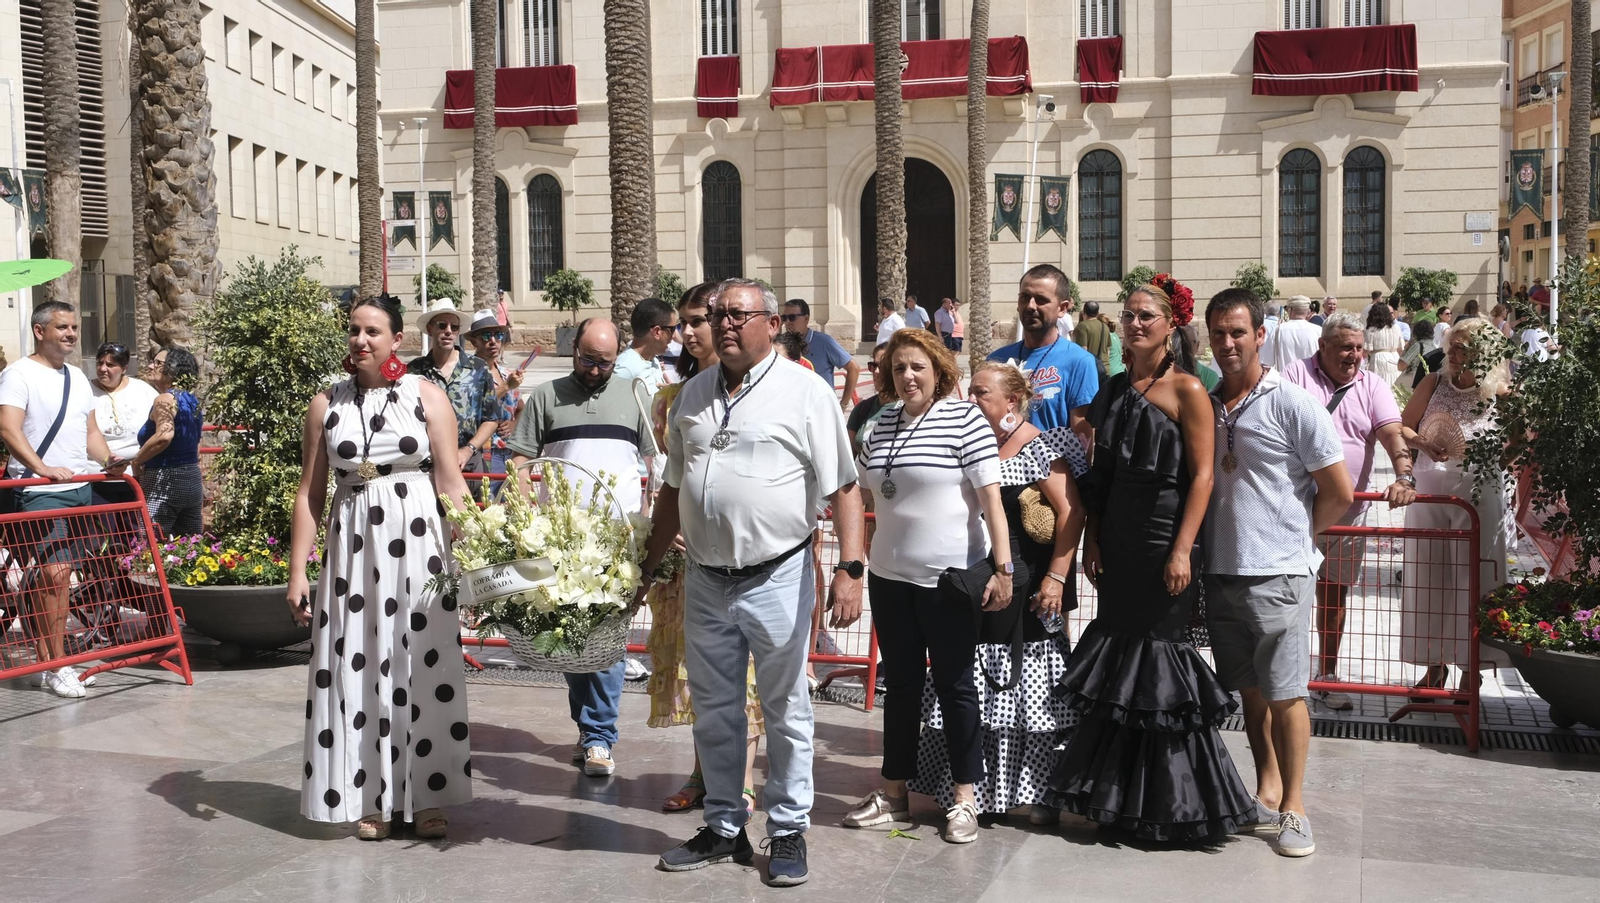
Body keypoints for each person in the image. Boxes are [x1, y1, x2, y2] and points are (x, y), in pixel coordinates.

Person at [640, 278, 865, 887]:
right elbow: (671, 492)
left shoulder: (806, 392)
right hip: (706, 580)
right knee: (714, 710)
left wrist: (851, 570)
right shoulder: (690, 396)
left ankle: (788, 829)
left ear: (771, 323)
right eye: (717, 315)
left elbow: (842, 485)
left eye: (738, 314)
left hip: (777, 574)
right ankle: (724, 825)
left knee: (785, 707)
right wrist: (647, 566)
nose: (725, 324)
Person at [1047, 279, 1255, 842]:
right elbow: (1103, 478)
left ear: (1169, 325)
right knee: (1121, 665)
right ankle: (1118, 798)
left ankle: (1176, 803)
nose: (1136, 324)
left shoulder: (1189, 389)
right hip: (1117, 543)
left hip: (1166, 541)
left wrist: (1184, 548)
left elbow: (1204, 476)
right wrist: (1091, 542)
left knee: (1160, 664)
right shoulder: (1112, 390)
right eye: (1130, 315)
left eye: (1147, 316)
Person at [286, 296, 473, 839]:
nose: (360, 340)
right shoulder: (326, 404)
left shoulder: (427, 395)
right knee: (359, 667)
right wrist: (299, 571)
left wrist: (480, 552)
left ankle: (429, 796)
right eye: (353, 330)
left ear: (397, 341)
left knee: (423, 663)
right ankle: (371, 797)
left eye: (373, 331)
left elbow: (451, 483)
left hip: (419, 548)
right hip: (352, 555)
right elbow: (310, 494)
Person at [842, 328, 1011, 845]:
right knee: (903, 688)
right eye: (898, 369)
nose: (908, 377)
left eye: (917, 367)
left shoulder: (966, 421)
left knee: (958, 687)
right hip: (890, 580)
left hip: (949, 582)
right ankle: (894, 795)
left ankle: (965, 799)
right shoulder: (882, 422)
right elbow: (859, 488)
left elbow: (991, 502)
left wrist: (1004, 569)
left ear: (939, 371)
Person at [1203, 287, 1354, 858]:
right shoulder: (1210, 402)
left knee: (1288, 693)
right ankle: (1265, 784)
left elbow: (1337, 491)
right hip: (1221, 572)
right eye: (1218, 333)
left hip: (1280, 573)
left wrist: (1298, 540)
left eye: (1237, 332)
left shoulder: (1291, 402)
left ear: (1260, 335)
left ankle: (1294, 807)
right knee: (1249, 688)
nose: (1227, 343)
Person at [908, 361, 1085, 824]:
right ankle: (972, 789)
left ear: (1012, 401)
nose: (972, 400)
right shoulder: (971, 442)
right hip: (971, 587)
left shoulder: (1042, 446)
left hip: (1028, 590)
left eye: (982, 393)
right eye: (971, 391)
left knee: (1028, 685)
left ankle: (1035, 792)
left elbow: (1072, 513)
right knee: (969, 680)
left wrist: (1057, 578)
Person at [507, 318, 656, 779]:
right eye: (587, 360)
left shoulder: (635, 394)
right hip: (560, 543)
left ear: (618, 357)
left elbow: (655, 461)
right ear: (574, 352)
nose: (594, 370)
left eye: (604, 362)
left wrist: (650, 523)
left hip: (617, 542)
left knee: (607, 642)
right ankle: (588, 729)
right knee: (572, 645)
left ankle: (599, 736)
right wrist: (524, 514)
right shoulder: (546, 396)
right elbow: (518, 460)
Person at [644, 282, 769, 817]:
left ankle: (740, 782)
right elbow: (669, 480)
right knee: (697, 673)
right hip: (685, 564)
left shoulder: (777, 388)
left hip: (753, 561)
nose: (692, 332)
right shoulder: (672, 399)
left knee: (746, 675)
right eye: (686, 323)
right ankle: (702, 773)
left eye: (702, 319)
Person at [1281, 313, 1417, 713]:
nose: (1354, 355)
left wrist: (1404, 477)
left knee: (1333, 596)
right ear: (1322, 347)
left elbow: (1391, 434)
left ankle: (1325, 674)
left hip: (1347, 512)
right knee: (1285, 597)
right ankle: (1285, 678)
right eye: (1345, 347)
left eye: (1359, 348)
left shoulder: (1372, 384)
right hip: (1293, 509)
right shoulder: (1295, 375)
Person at [0, 301, 126, 699]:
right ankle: (57, 666)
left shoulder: (75, 376)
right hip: (38, 493)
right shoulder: (18, 374)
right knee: (54, 576)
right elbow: (8, 428)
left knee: (55, 580)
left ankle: (49, 661)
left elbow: (89, 432)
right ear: (40, 331)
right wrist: (41, 467)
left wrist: (109, 460)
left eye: (74, 326)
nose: (72, 333)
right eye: (62, 327)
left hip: (81, 490)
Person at [1398, 316, 1511, 699]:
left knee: (1474, 582)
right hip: (1430, 492)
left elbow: (1522, 440)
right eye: (1453, 347)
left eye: (1464, 348)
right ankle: (1434, 667)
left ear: (1485, 353)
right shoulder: (1433, 382)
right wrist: (1425, 446)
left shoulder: (1501, 392)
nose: (1455, 354)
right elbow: (1404, 426)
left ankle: (1471, 671)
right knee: (1428, 581)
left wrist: (1497, 464)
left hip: (1479, 501)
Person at [988, 264, 1100, 434]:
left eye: (1041, 300)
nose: (1031, 306)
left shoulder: (1080, 362)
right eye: (1025, 297)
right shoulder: (996, 361)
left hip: (1055, 460)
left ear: (1062, 308)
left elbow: (1083, 434)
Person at [406, 298, 499, 475]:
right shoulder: (413, 371)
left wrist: (468, 450)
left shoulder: (478, 368)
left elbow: (492, 418)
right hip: (426, 464)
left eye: (454, 327)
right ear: (429, 329)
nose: (448, 331)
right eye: (442, 325)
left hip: (469, 463)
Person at [130, 347, 204, 537]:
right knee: (190, 544)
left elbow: (164, 435)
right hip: (192, 478)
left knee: (150, 541)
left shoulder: (164, 399)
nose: (150, 366)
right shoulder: (191, 400)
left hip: (164, 479)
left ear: (173, 369)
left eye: (157, 363)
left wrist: (137, 460)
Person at [464, 309, 524, 493]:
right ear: (474, 341)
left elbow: (521, 408)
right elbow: (470, 407)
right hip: (483, 453)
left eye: (498, 335)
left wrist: (513, 424)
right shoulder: (467, 373)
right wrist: (506, 386)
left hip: (509, 451)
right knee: (487, 508)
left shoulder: (506, 373)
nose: (493, 341)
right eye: (486, 336)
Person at [90, 342, 158, 503]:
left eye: (110, 364)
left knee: (134, 528)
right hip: (96, 478)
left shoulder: (143, 390)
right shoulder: (84, 391)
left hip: (135, 478)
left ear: (124, 368)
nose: (102, 369)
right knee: (104, 528)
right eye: (100, 363)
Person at [780, 299, 858, 408]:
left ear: (806, 318)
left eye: (792, 317)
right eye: (784, 318)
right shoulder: (779, 345)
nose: (787, 322)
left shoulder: (824, 342)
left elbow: (853, 368)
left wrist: (843, 404)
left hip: (822, 410)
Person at [847, 343, 891, 458]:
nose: (876, 371)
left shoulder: (910, 409)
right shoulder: (862, 409)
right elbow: (848, 456)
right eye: (873, 366)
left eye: (883, 366)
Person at [1263, 296, 1321, 371]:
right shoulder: (1319, 331)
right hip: (1312, 380)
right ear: (1308, 311)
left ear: (1290, 310)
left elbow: (1267, 361)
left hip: (1284, 380)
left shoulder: (1278, 331)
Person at [1363, 301, 1405, 387]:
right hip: (1394, 358)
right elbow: (1401, 347)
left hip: (1378, 359)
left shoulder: (1371, 330)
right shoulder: (1396, 327)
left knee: (1379, 386)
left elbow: (1367, 350)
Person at [1072, 299, 1112, 381]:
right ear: (1097, 313)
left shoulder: (1082, 326)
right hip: (1105, 369)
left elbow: (1083, 350)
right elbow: (1108, 350)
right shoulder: (1105, 327)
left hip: (1090, 371)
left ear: (1084, 312)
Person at [1400, 319, 1440, 388]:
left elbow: (1402, 365)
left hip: (1414, 378)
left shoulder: (1418, 345)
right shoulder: (1435, 346)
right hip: (1429, 380)